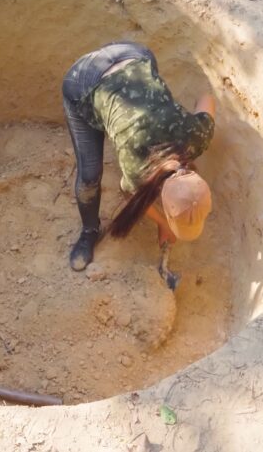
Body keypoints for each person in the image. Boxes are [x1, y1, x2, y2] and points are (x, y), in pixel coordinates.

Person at [61, 41, 215, 287]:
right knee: (89, 177)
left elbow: (206, 98)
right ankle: (89, 231)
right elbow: (129, 192)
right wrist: (164, 223)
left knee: (126, 115)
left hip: (135, 54)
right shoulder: (137, 168)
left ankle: (114, 112)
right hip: (85, 80)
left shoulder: (198, 135)